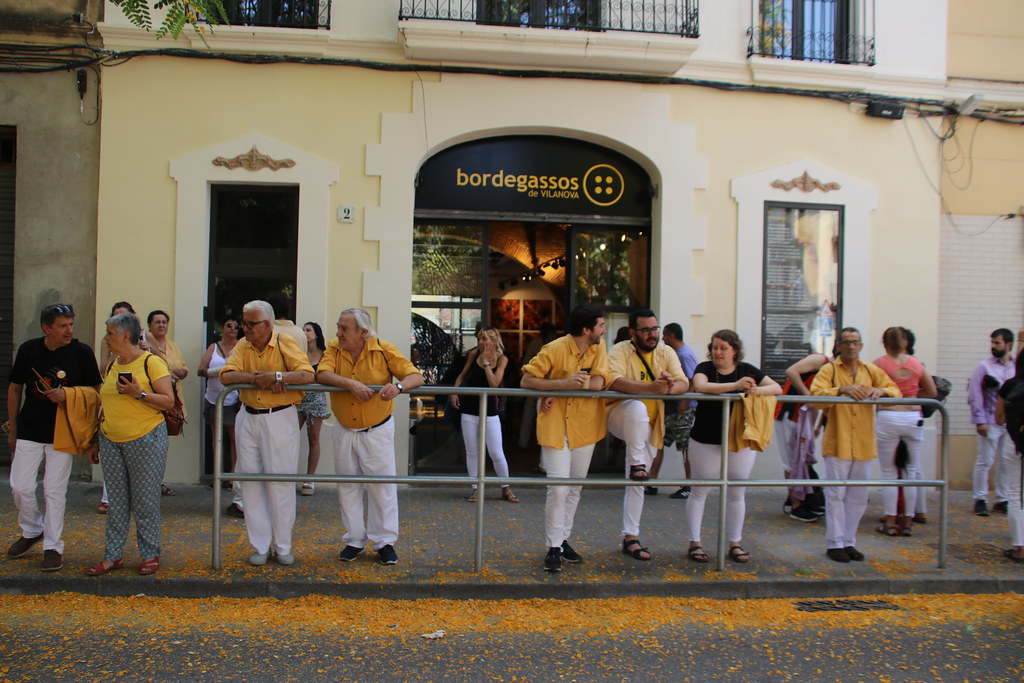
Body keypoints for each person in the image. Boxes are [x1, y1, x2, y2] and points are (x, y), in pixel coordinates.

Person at [316, 308, 424, 566]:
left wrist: (398, 387)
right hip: (344, 429)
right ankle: (354, 539)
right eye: (339, 327)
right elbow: (321, 374)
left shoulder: (383, 349)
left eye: (345, 328)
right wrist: (351, 384)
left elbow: (415, 376)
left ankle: (385, 542)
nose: (338, 333)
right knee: (348, 486)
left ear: (362, 332)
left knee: (381, 487)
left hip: (376, 429)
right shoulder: (333, 347)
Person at [6, 303, 102, 572]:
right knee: (20, 486)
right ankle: (32, 529)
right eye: (62, 326)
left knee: (54, 490)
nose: (69, 330)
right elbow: (14, 389)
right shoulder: (29, 350)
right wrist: (12, 427)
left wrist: (68, 395)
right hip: (29, 428)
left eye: (71, 324)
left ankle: (52, 546)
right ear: (46, 328)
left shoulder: (82, 352)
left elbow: (95, 390)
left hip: (65, 429)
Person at [220, 300, 314, 566]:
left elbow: (307, 375)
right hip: (248, 416)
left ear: (267, 324)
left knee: (280, 482)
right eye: (244, 323)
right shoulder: (242, 345)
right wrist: (256, 379)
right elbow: (226, 375)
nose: (245, 328)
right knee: (250, 483)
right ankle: (260, 544)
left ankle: (283, 545)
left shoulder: (284, 342)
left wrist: (278, 377)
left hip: (279, 416)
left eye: (251, 324)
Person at [520, 304, 610, 573]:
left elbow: (599, 383)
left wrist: (559, 388)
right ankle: (553, 547)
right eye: (601, 325)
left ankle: (563, 540)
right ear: (586, 330)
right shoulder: (555, 348)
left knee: (574, 489)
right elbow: (526, 380)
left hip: (585, 427)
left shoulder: (599, 348)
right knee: (558, 488)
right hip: (556, 427)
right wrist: (560, 384)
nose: (604, 330)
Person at [86, 312, 176, 576]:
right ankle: (113, 556)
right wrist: (96, 439)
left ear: (125, 336)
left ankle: (150, 554)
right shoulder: (112, 365)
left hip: (145, 438)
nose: (106, 339)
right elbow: (106, 403)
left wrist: (140, 394)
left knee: (145, 501)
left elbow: (168, 401)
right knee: (117, 501)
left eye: (110, 334)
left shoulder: (153, 363)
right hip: (111, 440)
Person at [686, 330, 781, 564]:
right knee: (700, 490)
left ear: (734, 350)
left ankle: (735, 543)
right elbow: (700, 386)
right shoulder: (705, 368)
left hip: (739, 438)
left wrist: (757, 390)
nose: (718, 352)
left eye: (723, 348)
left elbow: (777, 388)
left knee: (737, 491)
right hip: (705, 438)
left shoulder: (747, 369)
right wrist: (735, 385)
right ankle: (694, 542)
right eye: (715, 347)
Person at [811, 327, 900, 563]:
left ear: (861, 346)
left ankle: (849, 540)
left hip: (863, 442)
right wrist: (841, 390)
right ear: (839, 345)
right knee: (836, 494)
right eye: (847, 342)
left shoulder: (871, 370)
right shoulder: (829, 370)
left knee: (859, 496)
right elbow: (814, 396)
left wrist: (880, 390)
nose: (851, 346)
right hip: (838, 440)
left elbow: (896, 392)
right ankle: (834, 542)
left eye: (855, 342)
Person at [606, 309, 688, 561]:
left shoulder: (666, 352)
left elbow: (685, 383)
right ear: (633, 333)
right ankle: (638, 464)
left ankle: (631, 537)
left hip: (654, 425)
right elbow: (614, 381)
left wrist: (669, 387)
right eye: (646, 330)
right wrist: (650, 388)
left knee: (637, 481)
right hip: (621, 416)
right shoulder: (620, 350)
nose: (653, 335)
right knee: (638, 407)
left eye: (655, 329)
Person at [874, 327, 937, 537]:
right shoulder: (916, 364)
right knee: (912, 470)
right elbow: (932, 391)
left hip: (888, 415)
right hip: (913, 416)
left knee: (889, 472)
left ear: (885, 343)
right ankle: (908, 521)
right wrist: (912, 394)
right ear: (905, 343)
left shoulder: (880, 364)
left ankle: (891, 520)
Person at [451, 326, 518, 503]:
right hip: (469, 409)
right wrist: (454, 391)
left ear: (494, 341)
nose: (481, 343)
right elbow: (462, 375)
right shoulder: (473, 355)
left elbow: (494, 384)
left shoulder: (502, 359)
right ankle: (475, 488)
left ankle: (506, 488)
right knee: (472, 451)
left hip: (490, 411)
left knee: (496, 452)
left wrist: (487, 363)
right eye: (480, 339)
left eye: (485, 339)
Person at [777, 350, 831, 521]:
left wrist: (816, 425)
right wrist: (808, 396)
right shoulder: (821, 360)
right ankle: (795, 505)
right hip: (789, 413)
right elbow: (791, 371)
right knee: (790, 461)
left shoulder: (835, 372)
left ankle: (799, 498)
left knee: (801, 459)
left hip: (803, 416)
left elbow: (823, 399)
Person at [968, 328, 1017, 516]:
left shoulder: (1015, 366)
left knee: (1006, 461)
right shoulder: (984, 366)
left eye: (997, 343)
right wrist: (980, 420)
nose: (993, 346)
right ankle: (980, 498)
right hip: (990, 419)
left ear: (1008, 345)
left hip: (1009, 421)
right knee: (985, 460)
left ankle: (1002, 498)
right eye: (992, 343)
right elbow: (975, 394)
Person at [198, 317, 242, 515]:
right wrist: (217, 371)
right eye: (229, 325)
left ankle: (232, 475)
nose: (232, 329)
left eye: (235, 326)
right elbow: (201, 370)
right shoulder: (213, 347)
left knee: (234, 437)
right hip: (214, 397)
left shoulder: (242, 346)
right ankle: (218, 475)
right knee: (217, 437)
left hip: (233, 398)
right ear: (222, 328)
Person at [97, 301, 135, 515]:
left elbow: (161, 362)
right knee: (112, 447)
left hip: (138, 401)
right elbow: (102, 370)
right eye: (115, 316)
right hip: (114, 397)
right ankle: (108, 497)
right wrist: (115, 356)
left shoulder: (143, 338)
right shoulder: (107, 341)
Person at [144, 309, 187, 497]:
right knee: (148, 445)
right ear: (149, 326)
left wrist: (181, 372)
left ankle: (157, 482)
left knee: (161, 446)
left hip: (170, 400)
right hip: (150, 401)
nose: (161, 325)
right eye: (157, 322)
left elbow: (183, 367)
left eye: (164, 322)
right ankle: (147, 485)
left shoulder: (173, 346)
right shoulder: (143, 346)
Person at [659, 322, 699, 499]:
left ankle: (689, 485)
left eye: (664, 335)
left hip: (683, 410)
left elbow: (692, 381)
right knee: (658, 442)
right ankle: (650, 482)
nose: (662, 338)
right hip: (675, 409)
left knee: (685, 448)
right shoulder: (679, 353)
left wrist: (684, 403)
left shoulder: (684, 355)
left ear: (671, 336)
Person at [994, 350, 1024, 562]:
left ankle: (1019, 547)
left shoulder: (1010, 385)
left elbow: (998, 417)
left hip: (1014, 442)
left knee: (1015, 494)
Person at [297, 321, 330, 496]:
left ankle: (310, 478)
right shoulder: (298, 353)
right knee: (290, 436)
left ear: (316, 334)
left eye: (308, 330)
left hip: (316, 399)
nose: (305, 333)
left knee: (313, 438)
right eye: (303, 330)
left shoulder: (325, 355)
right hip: (297, 398)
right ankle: (284, 476)